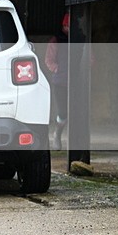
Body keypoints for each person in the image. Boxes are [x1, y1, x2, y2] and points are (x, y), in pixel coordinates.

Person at [45, 11, 70, 150]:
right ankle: (57, 135)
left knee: (77, 112)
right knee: (62, 113)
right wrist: (58, 69)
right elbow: (49, 60)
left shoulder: (79, 40)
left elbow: (90, 58)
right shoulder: (55, 41)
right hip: (60, 82)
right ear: (64, 26)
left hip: (76, 82)